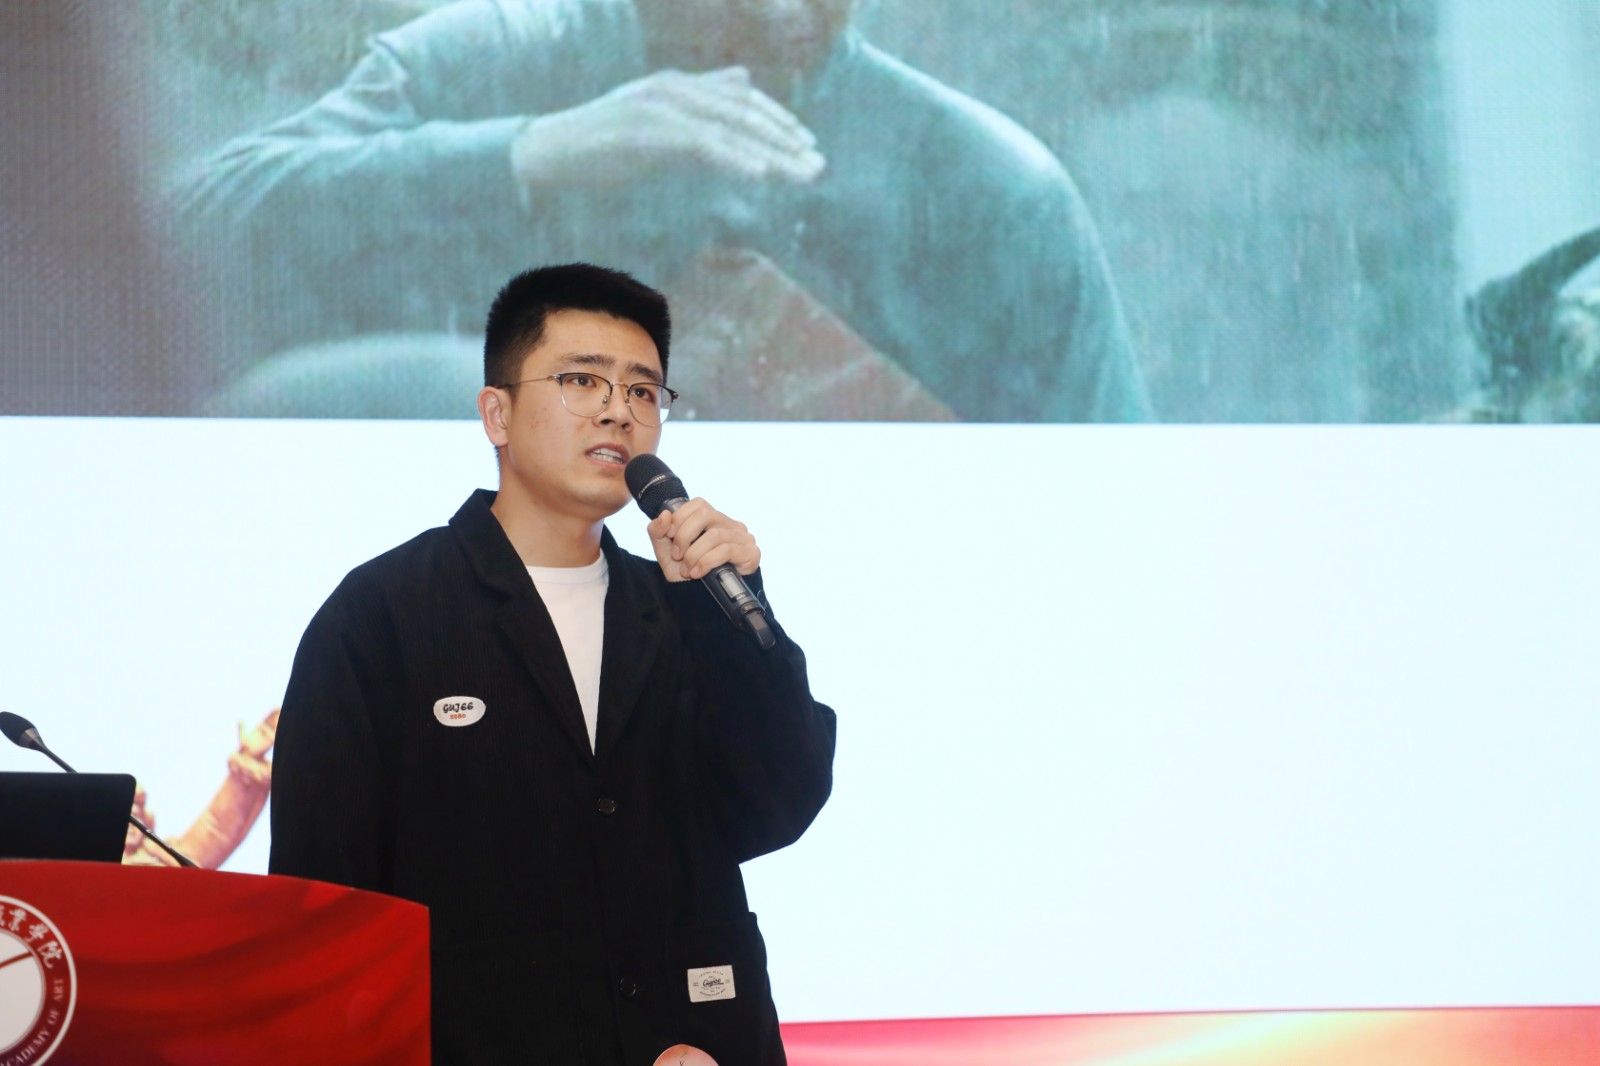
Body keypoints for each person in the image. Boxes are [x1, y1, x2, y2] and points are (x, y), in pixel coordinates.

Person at [268, 263, 837, 1064]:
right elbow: (322, 903)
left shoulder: (688, 609)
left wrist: (739, 612)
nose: (618, 409)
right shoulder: (385, 614)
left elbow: (779, 803)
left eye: (643, 390)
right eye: (581, 380)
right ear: (496, 413)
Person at [179, 0, 1151, 422]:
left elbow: (1115, 526)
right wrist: (527, 154)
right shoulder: (485, 64)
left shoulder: (987, 193)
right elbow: (174, 253)